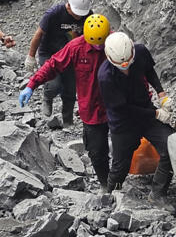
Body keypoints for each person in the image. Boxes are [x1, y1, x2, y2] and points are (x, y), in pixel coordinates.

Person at [19, 14, 111, 192]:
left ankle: (120, 180)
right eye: (95, 44)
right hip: (92, 110)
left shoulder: (116, 43)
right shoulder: (76, 47)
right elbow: (53, 65)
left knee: (126, 146)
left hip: (117, 106)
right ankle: (106, 185)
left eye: (102, 43)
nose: (99, 47)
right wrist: (32, 84)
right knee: (96, 152)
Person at [97, 32, 176, 209]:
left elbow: (149, 71)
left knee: (171, 145)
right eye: (120, 66)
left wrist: (161, 93)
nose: (125, 68)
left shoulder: (140, 52)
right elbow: (124, 109)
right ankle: (111, 194)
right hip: (123, 122)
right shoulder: (105, 77)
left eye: (128, 64)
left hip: (146, 111)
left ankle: (158, 193)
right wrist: (156, 114)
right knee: (120, 167)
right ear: (109, 58)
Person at [24, 0, 92, 126]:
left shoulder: (88, 15)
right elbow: (38, 34)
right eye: (76, 13)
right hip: (49, 52)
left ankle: (67, 121)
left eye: (81, 14)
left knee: (70, 88)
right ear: (68, 5)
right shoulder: (54, 14)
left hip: (71, 55)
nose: (79, 17)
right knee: (54, 84)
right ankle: (47, 98)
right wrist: (31, 56)